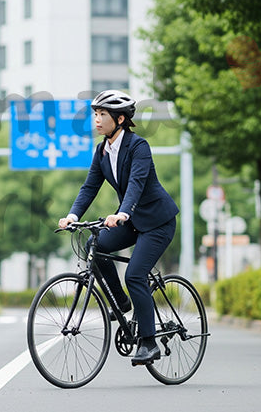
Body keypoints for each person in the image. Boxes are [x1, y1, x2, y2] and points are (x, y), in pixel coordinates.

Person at [58, 89, 179, 366]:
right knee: (94, 246)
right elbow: (89, 186)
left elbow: (136, 184)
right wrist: (72, 215)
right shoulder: (101, 151)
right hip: (134, 221)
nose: (97, 120)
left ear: (120, 119)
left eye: (103, 115)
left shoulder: (139, 147)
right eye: (96, 114)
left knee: (135, 275)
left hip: (158, 222)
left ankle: (149, 343)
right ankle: (122, 303)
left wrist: (122, 212)